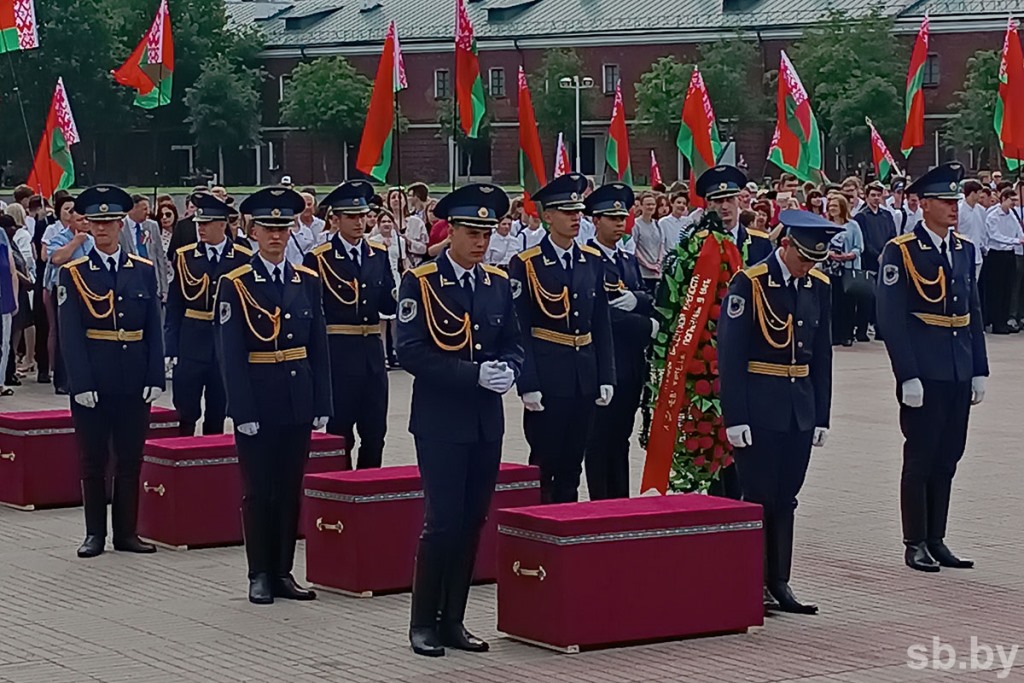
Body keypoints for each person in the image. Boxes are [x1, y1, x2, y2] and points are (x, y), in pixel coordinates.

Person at [396, 183, 523, 657]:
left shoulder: (496, 283)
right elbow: (408, 349)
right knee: (443, 521)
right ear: (451, 231)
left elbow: (514, 340)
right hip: (441, 420)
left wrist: (509, 369)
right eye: (472, 231)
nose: (480, 241)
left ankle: (454, 620)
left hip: (485, 422)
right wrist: (472, 374)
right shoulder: (423, 280)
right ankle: (422, 621)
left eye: (487, 232)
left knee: (473, 521)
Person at [719, 209, 839, 614]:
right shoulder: (750, 283)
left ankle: (780, 581)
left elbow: (821, 354)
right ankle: (753, 580)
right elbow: (731, 355)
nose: (807, 266)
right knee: (759, 497)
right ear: (785, 244)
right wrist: (735, 417)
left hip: (798, 407)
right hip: (759, 405)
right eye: (803, 257)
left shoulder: (817, 284)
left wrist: (822, 413)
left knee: (786, 497)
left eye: (814, 260)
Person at [216, 186, 332, 604]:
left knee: (288, 488)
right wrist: (240, 407)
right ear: (252, 232)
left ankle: (283, 570)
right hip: (259, 397)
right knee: (258, 489)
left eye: (282, 228)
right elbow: (230, 352)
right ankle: (259, 572)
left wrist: (322, 402)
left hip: (296, 396)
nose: (276, 236)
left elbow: (318, 344)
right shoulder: (237, 283)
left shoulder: (306, 281)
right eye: (268, 229)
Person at [876, 162, 988, 573]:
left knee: (949, 456)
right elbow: (891, 318)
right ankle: (915, 541)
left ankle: (937, 538)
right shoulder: (902, 250)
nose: (953, 208)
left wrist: (979, 367)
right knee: (920, 456)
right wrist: (907, 374)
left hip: (957, 368)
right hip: (925, 369)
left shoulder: (964, 249)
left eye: (955, 200)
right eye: (944, 201)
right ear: (923, 205)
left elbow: (973, 311)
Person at [58, 185, 165, 558]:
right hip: (95, 376)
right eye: (95, 222)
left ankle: (126, 532)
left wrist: (155, 375)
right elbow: (70, 334)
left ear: (121, 225)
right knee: (92, 459)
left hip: (133, 375)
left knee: (130, 458)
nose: (102, 229)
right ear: (87, 225)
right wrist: (80, 382)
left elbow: (154, 325)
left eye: (109, 222)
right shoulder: (75, 273)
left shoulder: (142, 271)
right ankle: (94, 534)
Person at [509, 173, 614, 504]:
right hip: (548, 373)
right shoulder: (527, 264)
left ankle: (567, 529)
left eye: (578, 211)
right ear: (547, 215)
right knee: (545, 461)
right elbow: (519, 328)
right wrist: (527, 382)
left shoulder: (592, 260)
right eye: (566, 212)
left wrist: (605, 375)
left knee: (573, 463)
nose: (575, 218)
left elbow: (601, 322)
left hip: (583, 374)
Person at [305, 180, 395, 470]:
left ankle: (370, 493)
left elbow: (387, 304)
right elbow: (311, 312)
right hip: (338, 354)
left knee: (375, 434)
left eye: (363, 216)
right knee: (340, 435)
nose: (360, 223)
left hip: (371, 353)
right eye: (352, 217)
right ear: (335, 219)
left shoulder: (378, 254)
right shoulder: (319, 258)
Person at [583, 184, 657, 500]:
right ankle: (602, 504)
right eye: (611, 218)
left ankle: (620, 503)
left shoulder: (627, 259)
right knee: (599, 440)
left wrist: (637, 299)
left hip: (630, 364)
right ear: (596, 221)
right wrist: (647, 326)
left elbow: (647, 296)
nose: (619, 223)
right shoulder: (587, 259)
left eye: (622, 217)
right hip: (603, 362)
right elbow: (601, 315)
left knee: (621, 438)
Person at [165, 193, 252, 436]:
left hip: (225, 342)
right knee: (185, 409)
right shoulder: (185, 256)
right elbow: (175, 304)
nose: (200, 229)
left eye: (206, 224)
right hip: (192, 340)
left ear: (222, 224)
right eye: (199, 224)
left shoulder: (243, 258)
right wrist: (170, 347)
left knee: (218, 409)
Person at [367, 208, 407, 369]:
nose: (386, 224)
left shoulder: (400, 241)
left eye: (389, 221)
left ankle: (396, 353)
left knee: (396, 320)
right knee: (382, 320)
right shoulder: (373, 240)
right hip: (380, 278)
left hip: (396, 278)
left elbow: (403, 262)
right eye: (383, 221)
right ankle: (383, 354)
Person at [825, 193, 865, 346]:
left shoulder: (853, 225)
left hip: (848, 269)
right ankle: (834, 335)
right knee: (833, 302)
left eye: (835, 206)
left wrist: (848, 256)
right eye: (830, 206)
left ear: (842, 207)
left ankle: (847, 334)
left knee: (848, 303)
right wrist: (828, 254)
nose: (832, 208)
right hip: (831, 270)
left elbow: (859, 247)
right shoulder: (827, 224)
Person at [983, 188, 1022, 334]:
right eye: (1012, 201)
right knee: (996, 290)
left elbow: (1018, 229)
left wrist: (1021, 238)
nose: (1014, 204)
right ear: (1004, 198)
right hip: (997, 254)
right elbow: (995, 235)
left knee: (1008, 288)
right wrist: (1016, 240)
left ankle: (1005, 320)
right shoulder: (993, 216)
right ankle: (996, 322)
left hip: (1009, 253)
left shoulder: (1012, 214)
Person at [120, 195, 169, 303]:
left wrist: (164, 288)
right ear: (133, 209)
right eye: (145, 209)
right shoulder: (120, 227)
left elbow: (160, 257)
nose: (148, 212)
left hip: (152, 283)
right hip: (131, 284)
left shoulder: (153, 226)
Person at [0, 218, 19, 396]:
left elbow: (12, 269)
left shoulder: (2, 235)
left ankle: (0, 382)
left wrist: (14, 297)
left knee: (4, 342)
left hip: (3, 297)